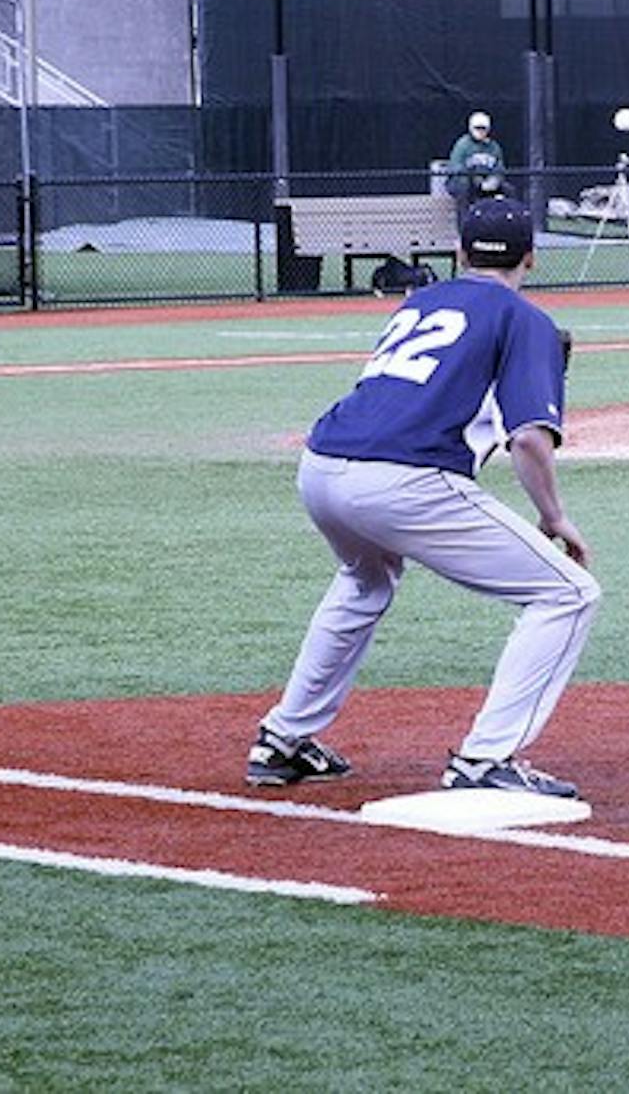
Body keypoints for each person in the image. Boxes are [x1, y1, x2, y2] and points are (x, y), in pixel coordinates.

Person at [246, 197, 600, 799]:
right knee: (567, 593)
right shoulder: (524, 318)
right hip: (402, 479)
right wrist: (554, 517)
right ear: (531, 259)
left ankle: (282, 740)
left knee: (365, 581)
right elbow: (530, 441)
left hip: (321, 463)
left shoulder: (419, 301)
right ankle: (486, 760)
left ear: (460, 252)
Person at [445, 110, 506, 205]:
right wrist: (475, 179)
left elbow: (499, 168)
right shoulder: (463, 145)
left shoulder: (494, 147)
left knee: (507, 188)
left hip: (486, 182)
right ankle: (464, 218)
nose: (480, 131)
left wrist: (495, 180)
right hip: (464, 182)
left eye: (483, 128)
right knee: (463, 184)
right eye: (477, 128)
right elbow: (455, 168)